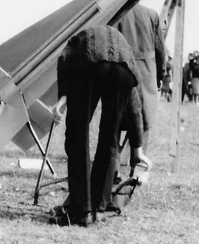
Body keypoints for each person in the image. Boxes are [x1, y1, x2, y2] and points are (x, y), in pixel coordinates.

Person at [51, 25, 151, 226]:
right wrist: (138, 148)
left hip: (89, 62)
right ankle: (98, 209)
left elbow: (64, 58)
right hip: (123, 73)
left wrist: (63, 97)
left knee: (77, 135)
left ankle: (81, 210)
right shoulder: (127, 59)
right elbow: (135, 108)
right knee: (110, 138)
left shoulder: (78, 40)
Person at [116, 4, 165, 152]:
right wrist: (160, 75)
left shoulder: (117, 13)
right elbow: (160, 50)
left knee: (116, 122)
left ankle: (113, 169)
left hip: (121, 72)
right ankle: (137, 170)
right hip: (146, 75)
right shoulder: (151, 14)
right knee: (144, 121)